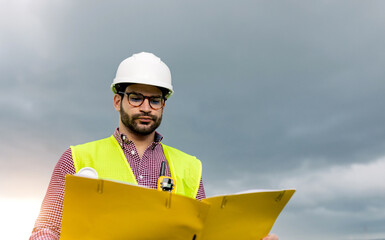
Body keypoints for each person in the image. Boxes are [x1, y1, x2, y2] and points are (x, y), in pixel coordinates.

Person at [30, 52, 278, 240]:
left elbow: (200, 235)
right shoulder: (77, 159)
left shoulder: (189, 167)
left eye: (155, 100)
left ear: (163, 105)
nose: (146, 107)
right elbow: (46, 230)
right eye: (136, 97)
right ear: (118, 101)